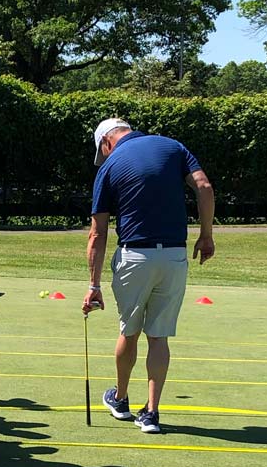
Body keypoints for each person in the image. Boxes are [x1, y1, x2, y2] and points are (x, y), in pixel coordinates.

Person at [82, 118, 216, 434]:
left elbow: (97, 232)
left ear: (106, 143)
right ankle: (152, 413)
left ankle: (121, 399)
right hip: (173, 254)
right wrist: (206, 235)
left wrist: (93, 285)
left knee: (129, 331)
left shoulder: (109, 165)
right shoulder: (174, 147)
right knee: (158, 336)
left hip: (134, 255)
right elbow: (204, 187)